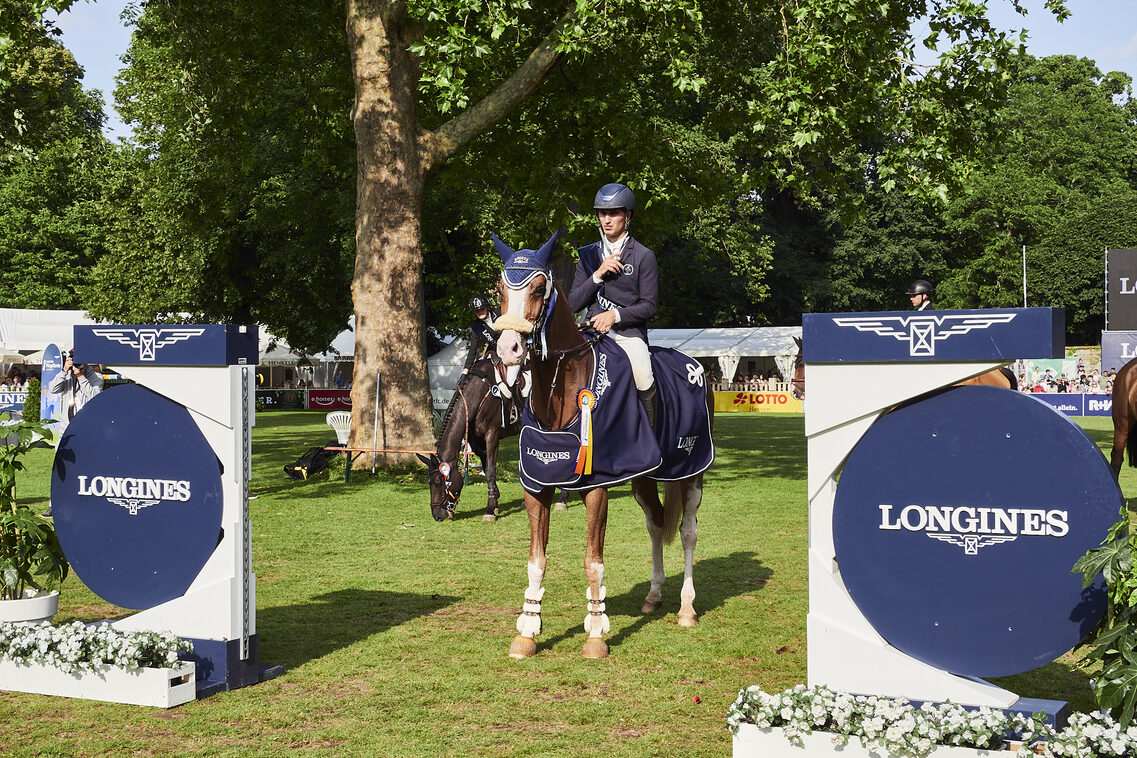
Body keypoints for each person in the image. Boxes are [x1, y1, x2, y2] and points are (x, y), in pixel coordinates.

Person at [569, 182, 659, 428]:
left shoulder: (643, 255)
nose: (606, 219)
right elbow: (573, 303)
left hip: (627, 335)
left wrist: (615, 315)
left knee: (643, 375)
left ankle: (649, 443)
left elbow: (650, 306)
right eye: (602, 213)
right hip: (590, 332)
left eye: (613, 213)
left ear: (627, 216)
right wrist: (597, 275)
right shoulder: (588, 255)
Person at [44, 350, 104, 517]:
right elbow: (53, 389)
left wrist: (81, 377)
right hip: (66, 428)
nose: (76, 365)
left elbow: (95, 396)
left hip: (86, 429)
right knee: (60, 467)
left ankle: (85, 502)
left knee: (86, 466)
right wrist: (64, 370)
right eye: (74, 361)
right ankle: (53, 504)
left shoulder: (96, 377)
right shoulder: (67, 375)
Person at [463, 294, 499, 372]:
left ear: (487, 307)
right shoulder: (476, 326)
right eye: (476, 310)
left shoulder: (499, 313)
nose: (480, 312)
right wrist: (465, 370)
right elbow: (473, 348)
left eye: (482, 309)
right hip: (494, 350)